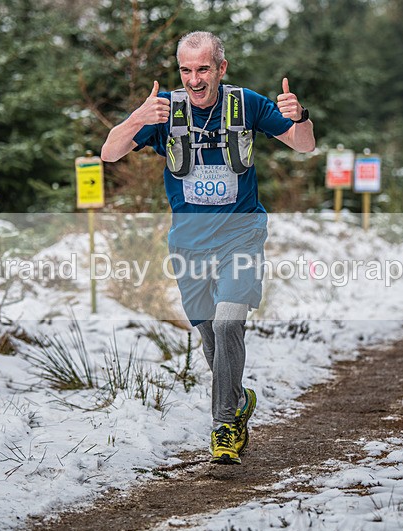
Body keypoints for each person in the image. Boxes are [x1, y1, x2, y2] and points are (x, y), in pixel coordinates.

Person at [101, 31, 315, 465]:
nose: (194, 80)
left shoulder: (246, 104)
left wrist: (302, 116)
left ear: (221, 67)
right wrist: (138, 117)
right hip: (189, 244)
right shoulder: (165, 112)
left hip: (241, 235)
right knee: (208, 333)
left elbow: (304, 145)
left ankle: (223, 428)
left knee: (227, 324)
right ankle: (237, 401)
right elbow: (109, 152)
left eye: (203, 69)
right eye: (186, 70)